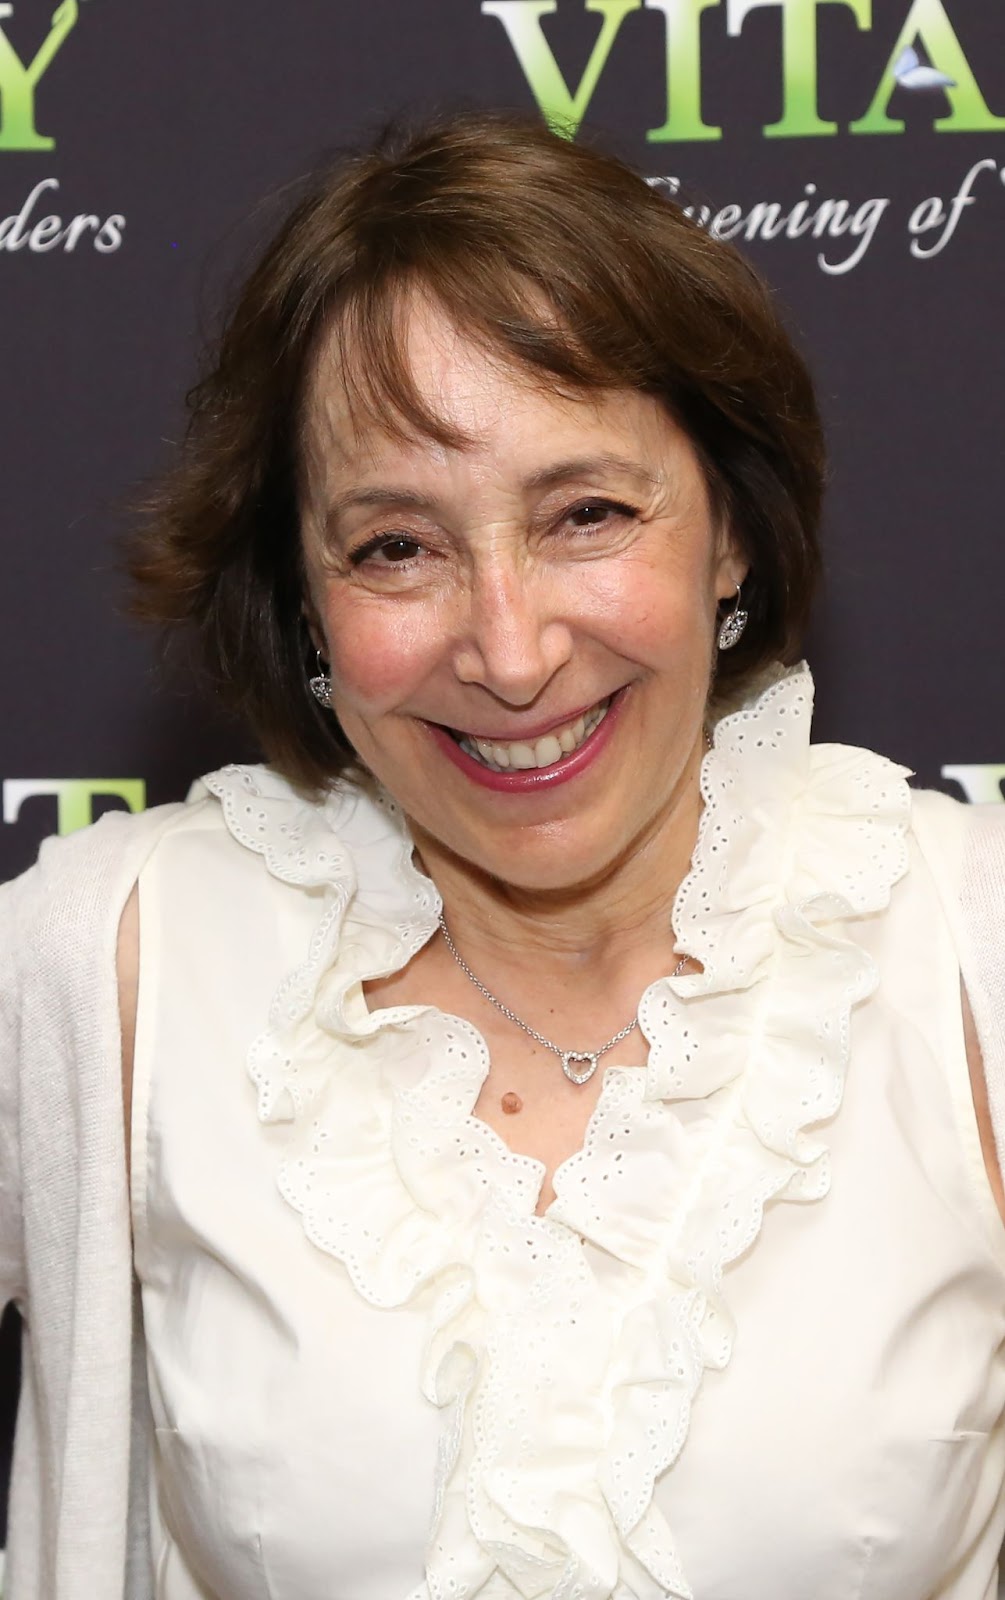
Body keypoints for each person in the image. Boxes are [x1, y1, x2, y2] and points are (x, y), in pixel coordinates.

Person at [2, 110, 1005, 1600]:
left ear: (726, 530)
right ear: (300, 598)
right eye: (394, 546)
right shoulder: (113, 958)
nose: (511, 651)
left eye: (584, 514)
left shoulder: (966, 932)